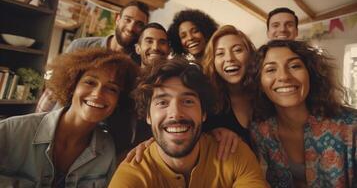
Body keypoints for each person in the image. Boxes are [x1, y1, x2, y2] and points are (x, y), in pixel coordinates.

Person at [109, 58, 267, 188]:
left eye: (188, 101)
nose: (176, 113)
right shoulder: (133, 172)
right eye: (162, 102)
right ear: (148, 116)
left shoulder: (234, 153)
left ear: (203, 113)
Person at [0, 48, 139, 187]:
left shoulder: (107, 150)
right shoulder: (11, 132)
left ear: (119, 101)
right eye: (90, 82)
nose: (98, 94)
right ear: (72, 86)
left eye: (111, 88)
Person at [250, 40, 357, 187]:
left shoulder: (351, 125)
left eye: (294, 66)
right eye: (270, 70)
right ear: (259, 83)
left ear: (311, 74)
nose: (284, 77)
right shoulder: (260, 131)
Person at [35, 1, 149, 113]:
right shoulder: (81, 46)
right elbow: (53, 90)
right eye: (127, 19)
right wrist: (39, 121)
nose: (131, 27)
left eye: (139, 24)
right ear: (118, 19)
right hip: (60, 119)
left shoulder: (138, 65)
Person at [201, 25, 256, 149]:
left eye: (237, 50)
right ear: (213, 62)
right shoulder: (206, 103)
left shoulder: (265, 94)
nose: (230, 58)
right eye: (220, 53)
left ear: (250, 55)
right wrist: (213, 133)